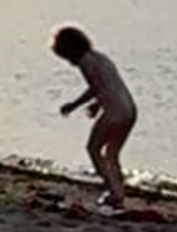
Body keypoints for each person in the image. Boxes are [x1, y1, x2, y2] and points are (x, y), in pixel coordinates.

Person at [50, 22, 138, 206]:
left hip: (114, 112)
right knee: (112, 153)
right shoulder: (100, 58)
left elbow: (96, 87)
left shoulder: (85, 62)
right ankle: (118, 188)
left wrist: (75, 105)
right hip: (129, 110)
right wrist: (97, 103)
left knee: (94, 148)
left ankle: (114, 191)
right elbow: (108, 84)